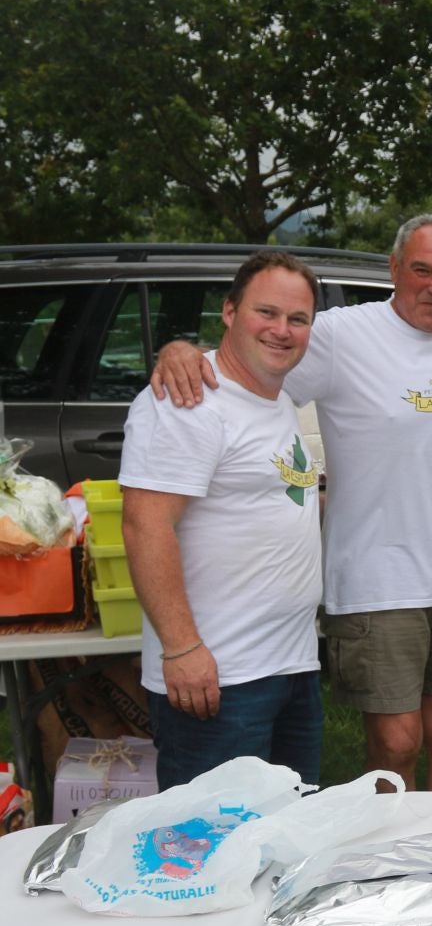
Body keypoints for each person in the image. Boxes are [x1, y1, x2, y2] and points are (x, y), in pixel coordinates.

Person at [149, 215, 432, 791]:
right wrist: (181, 351)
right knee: (397, 741)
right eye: (421, 270)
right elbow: (250, 368)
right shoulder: (341, 335)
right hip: (377, 575)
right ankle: (393, 863)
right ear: (393, 269)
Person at [121, 252, 324, 788]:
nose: (282, 330)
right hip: (220, 679)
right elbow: (145, 525)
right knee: (209, 853)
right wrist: (183, 648)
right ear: (230, 312)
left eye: (298, 319)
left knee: (285, 838)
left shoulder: (276, 399)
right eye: (267, 312)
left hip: (290, 665)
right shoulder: (190, 403)